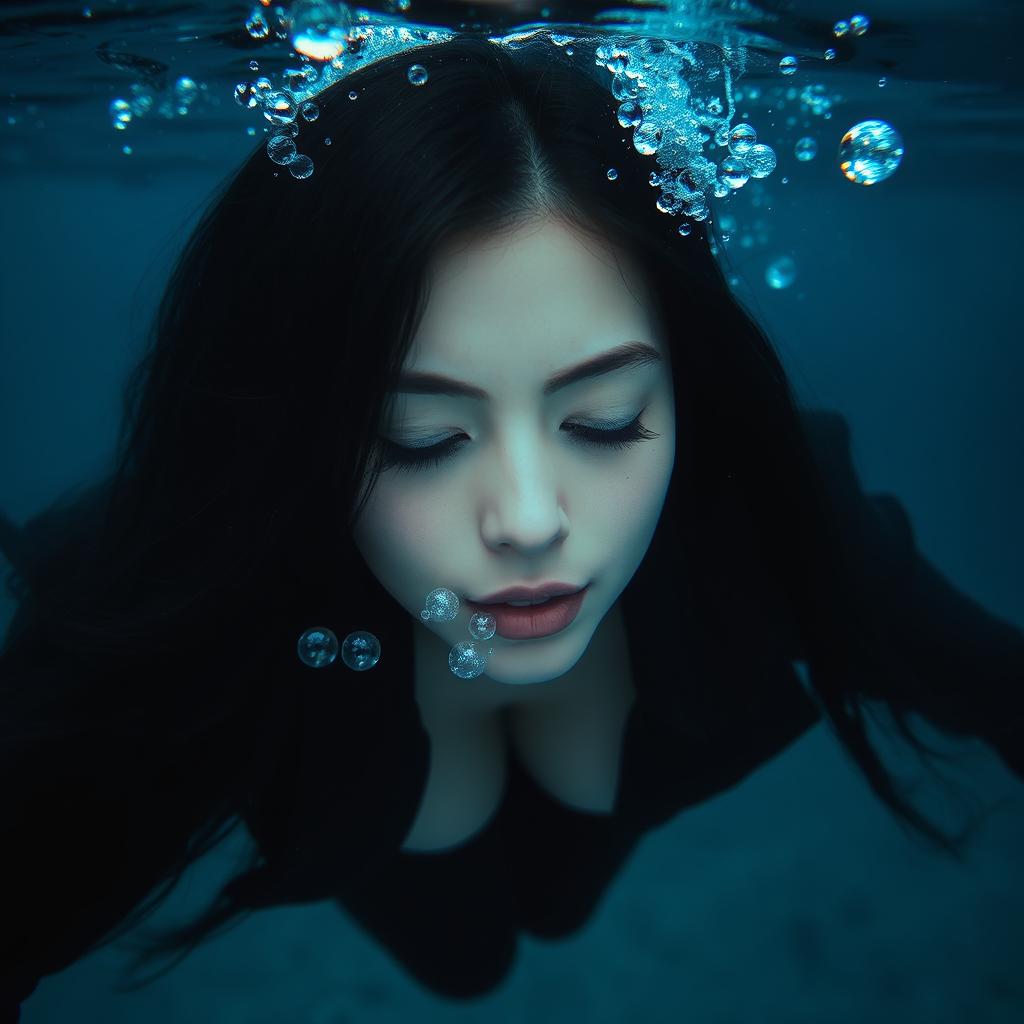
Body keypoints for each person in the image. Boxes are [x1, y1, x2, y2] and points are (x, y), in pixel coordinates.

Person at [1, 32, 1021, 1019]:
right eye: (419, 438)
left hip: (584, 801)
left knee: (553, 906)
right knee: (466, 968)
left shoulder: (765, 499)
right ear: (301, 430)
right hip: (388, 843)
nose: (530, 521)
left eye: (604, 421)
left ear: (685, 388)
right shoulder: (192, 579)